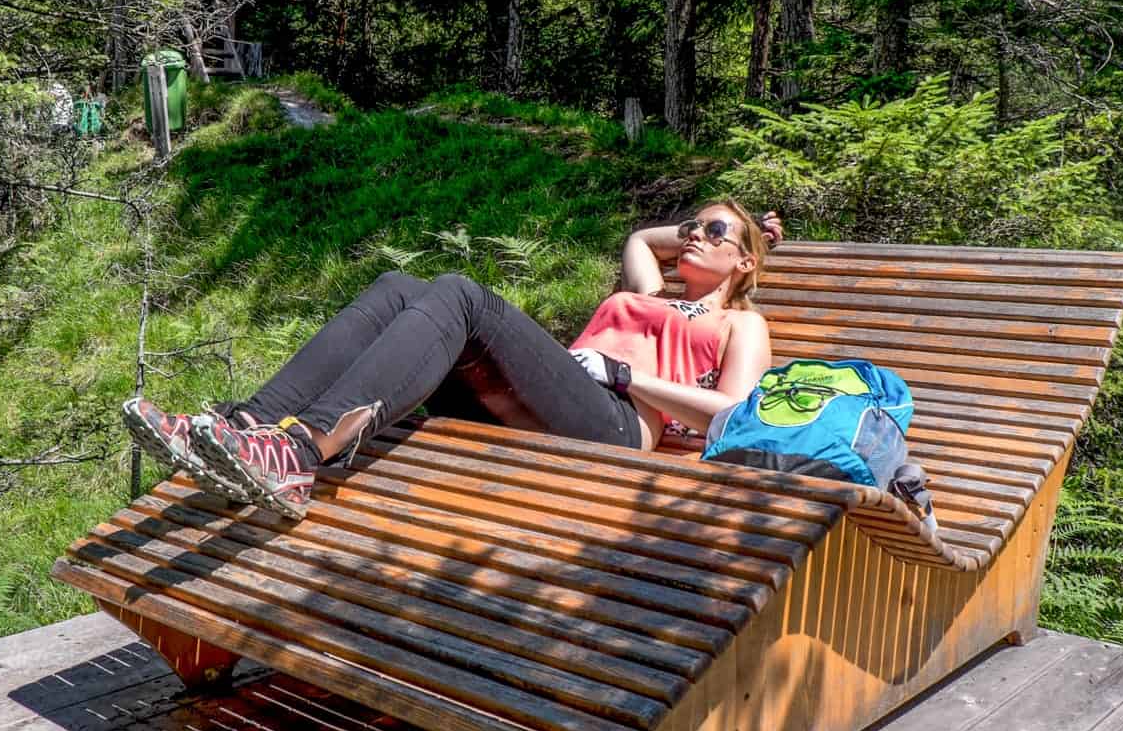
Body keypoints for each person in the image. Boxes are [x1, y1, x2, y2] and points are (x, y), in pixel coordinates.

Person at [123, 200, 783, 518]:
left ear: (745, 260)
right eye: (692, 225)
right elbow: (643, 236)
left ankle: (298, 456)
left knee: (463, 297)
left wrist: (627, 374)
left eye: (713, 231)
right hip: (548, 406)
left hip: (614, 426)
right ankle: (250, 428)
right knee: (399, 289)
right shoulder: (647, 291)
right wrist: (729, 229)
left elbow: (733, 411)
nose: (694, 234)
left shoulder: (742, 322)